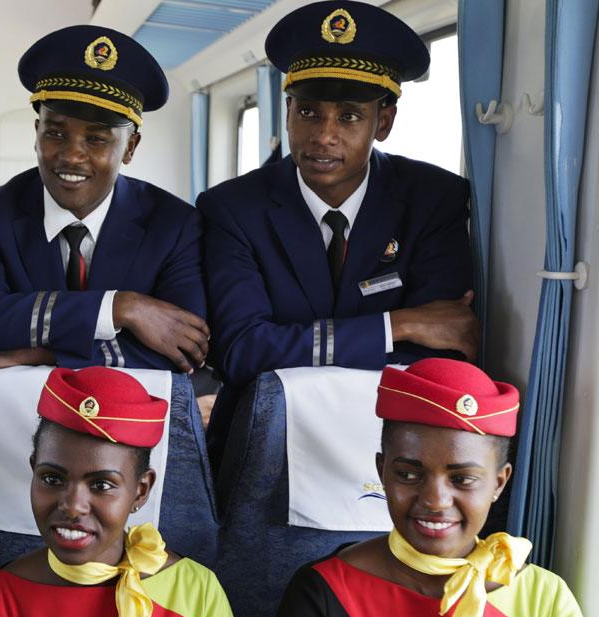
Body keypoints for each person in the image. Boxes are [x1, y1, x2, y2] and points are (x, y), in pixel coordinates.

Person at [199, 0, 479, 462]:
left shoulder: (434, 200)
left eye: (348, 116)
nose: (323, 135)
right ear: (288, 111)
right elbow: (241, 351)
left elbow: (444, 352)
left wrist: (291, 346)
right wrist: (399, 325)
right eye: (308, 112)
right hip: (263, 444)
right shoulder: (232, 209)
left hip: (394, 444)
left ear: (382, 122)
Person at [266, 358, 599, 617]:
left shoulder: (545, 600)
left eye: (463, 479)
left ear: (499, 483)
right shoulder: (324, 594)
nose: (436, 500)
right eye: (409, 475)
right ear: (382, 472)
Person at [0, 366, 251, 617]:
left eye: (101, 485)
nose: (72, 506)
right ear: (33, 472)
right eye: (52, 479)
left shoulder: (196, 592)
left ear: (141, 492)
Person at [0, 26, 209, 402]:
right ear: (36, 132)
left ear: (130, 147)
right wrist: (121, 307)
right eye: (55, 134)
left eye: (96, 139)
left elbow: (184, 347)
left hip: (130, 418)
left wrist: (41, 355)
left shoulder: (174, 223)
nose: (71, 155)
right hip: (18, 411)